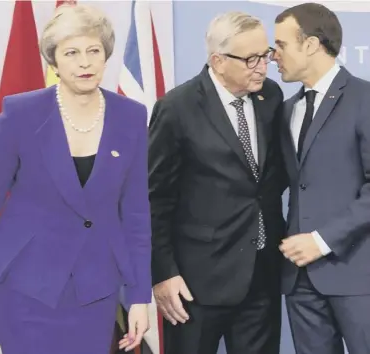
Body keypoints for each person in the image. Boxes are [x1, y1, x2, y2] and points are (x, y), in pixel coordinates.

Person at [0, 4, 151, 354]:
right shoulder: (22, 112)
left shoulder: (130, 116)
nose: (85, 62)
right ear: (54, 61)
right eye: (72, 53)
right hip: (26, 285)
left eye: (93, 51)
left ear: (105, 55)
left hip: (94, 289)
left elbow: (136, 216)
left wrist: (140, 297)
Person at [149, 11, 287, 354]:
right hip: (196, 285)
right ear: (218, 61)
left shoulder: (270, 97)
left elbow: (268, 181)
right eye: (251, 59)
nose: (262, 66)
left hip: (261, 275)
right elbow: (155, 198)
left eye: (266, 54)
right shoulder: (176, 108)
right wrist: (163, 273)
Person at [273, 3, 370, 353]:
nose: (273, 55)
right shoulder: (286, 110)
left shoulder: (365, 99)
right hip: (299, 280)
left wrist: (323, 240)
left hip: (358, 274)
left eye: (281, 45)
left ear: (311, 45)